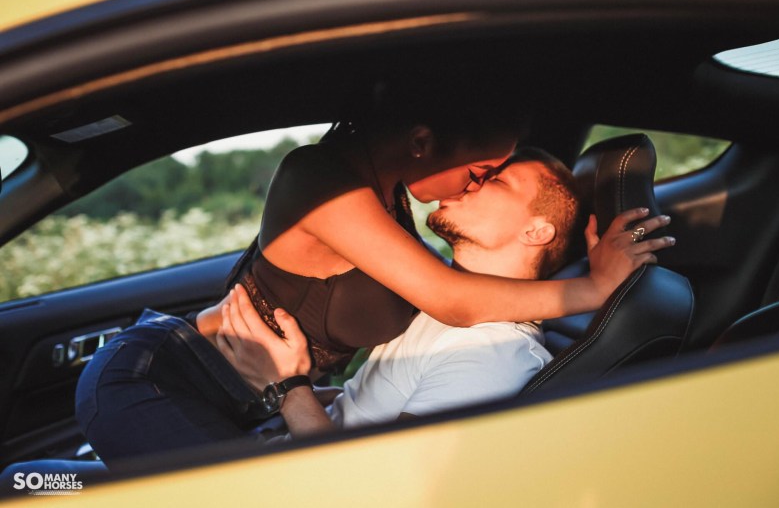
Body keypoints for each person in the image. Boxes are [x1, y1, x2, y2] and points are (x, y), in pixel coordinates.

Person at [76, 76, 674, 463]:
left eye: (493, 178)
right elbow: (451, 299)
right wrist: (596, 287)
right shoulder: (322, 180)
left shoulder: (389, 197)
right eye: (480, 169)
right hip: (160, 379)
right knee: (35, 487)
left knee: (45, 486)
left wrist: (298, 389)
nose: (475, 182)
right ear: (421, 141)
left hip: (251, 400)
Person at [218, 148, 584, 436]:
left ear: (537, 232)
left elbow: (379, 490)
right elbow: (364, 408)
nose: (470, 182)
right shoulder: (439, 299)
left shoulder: (495, 353)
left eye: (496, 182)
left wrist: (286, 386)